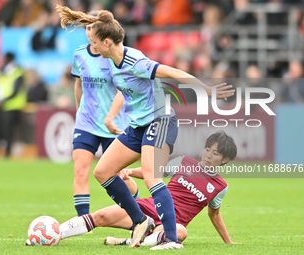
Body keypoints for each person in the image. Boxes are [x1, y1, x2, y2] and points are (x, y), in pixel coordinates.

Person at [56, 6, 234, 250]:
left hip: (160, 121)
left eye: (95, 43)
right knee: (103, 172)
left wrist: (206, 88)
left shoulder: (135, 61)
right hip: (138, 126)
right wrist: (111, 116)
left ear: (107, 42)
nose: (93, 48)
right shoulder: (110, 61)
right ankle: (141, 221)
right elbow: (122, 89)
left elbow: (172, 71)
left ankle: (172, 239)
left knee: (151, 176)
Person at [37, 131, 238, 248]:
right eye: (207, 149)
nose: (209, 155)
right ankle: (54, 234)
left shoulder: (221, 187)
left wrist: (228, 243)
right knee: (101, 216)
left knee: (180, 232)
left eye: (216, 153)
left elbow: (215, 215)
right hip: (147, 208)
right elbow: (153, 171)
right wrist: (130, 172)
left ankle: (129, 241)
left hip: (170, 224)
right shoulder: (184, 162)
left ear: (225, 159)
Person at [61, 12, 134, 218]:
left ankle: (136, 208)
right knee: (80, 170)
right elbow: (79, 85)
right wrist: (78, 112)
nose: (88, 31)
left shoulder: (113, 54)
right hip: (86, 123)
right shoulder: (79, 54)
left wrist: (110, 117)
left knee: (119, 176)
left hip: (114, 125)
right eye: (86, 28)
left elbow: (122, 90)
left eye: (91, 27)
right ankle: (82, 221)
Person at [0, 52, 26, 158]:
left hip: (12, 107)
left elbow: (15, 91)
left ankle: (7, 153)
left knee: (9, 133)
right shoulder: (1, 71)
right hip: (0, 106)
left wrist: (1, 100)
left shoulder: (17, 71)